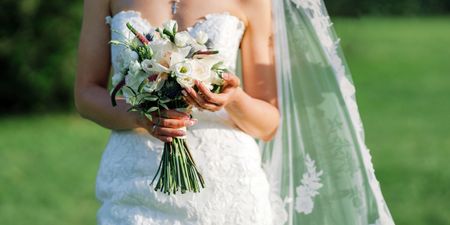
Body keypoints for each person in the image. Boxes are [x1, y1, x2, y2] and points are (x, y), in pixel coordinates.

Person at [75, 0, 395, 224]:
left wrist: (233, 99)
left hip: (226, 186)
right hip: (134, 183)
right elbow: (86, 93)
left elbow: (268, 122)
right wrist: (139, 116)